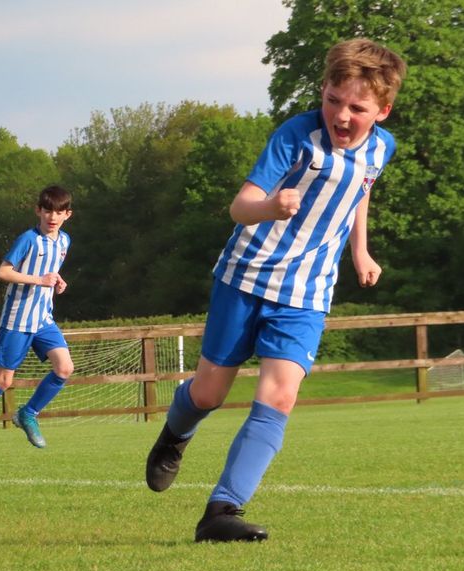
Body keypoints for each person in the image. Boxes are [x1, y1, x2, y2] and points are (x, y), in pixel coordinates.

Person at [146, 38, 407, 542]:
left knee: (280, 396)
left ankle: (221, 512)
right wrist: (270, 207)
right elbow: (239, 208)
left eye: (358, 107)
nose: (343, 115)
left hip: (307, 292)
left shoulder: (382, 148)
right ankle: (175, 433)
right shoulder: (295, 137)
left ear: (383, 110)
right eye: (334, 100)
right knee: (208, 392)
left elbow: (358, 192)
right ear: (322, 91)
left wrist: (360, 251)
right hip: (245, 278)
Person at [0, 185, 74, 454]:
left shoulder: (65, 241)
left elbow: (49, 272)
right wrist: (39, 280)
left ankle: (28, 413)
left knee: (64, 368)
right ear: (38, 211)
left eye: (58, 212)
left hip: (44, 318)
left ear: (68, 214)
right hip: (17, 319)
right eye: (47, 211)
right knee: (3, 380)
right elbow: (3, 272)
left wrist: (57, 281)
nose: (52, 217)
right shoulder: (28, 239)